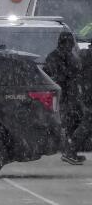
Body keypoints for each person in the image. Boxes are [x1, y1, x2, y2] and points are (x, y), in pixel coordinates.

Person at [45, 32, 84, 164]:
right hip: (65, 95)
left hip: (69, 95)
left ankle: (70, 150)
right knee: (68, 123)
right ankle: (69, 150)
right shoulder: (59, 57)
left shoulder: (61, 56)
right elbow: (56, 75)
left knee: (73, 122)